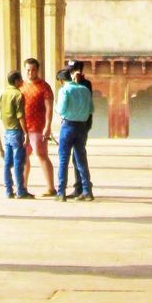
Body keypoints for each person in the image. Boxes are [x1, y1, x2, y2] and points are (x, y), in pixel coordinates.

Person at [54, 62, 94, 202]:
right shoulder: (85, 89)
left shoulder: (64, 90)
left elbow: (61, 110)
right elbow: (91, 110)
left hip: (68, 126)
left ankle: (61, 193)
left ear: (61, 80)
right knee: (81, 160)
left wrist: (58, 109)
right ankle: (87, 191)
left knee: (64, 160)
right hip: (81, 127)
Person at [20, 58, 56, 196]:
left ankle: (51, 187)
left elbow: (49, 108)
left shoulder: (44, 86)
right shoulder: (21, 86)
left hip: (38, 127)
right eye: (28, 70)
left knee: (42, 155)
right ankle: (22, 187)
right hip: (24, 128)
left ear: (37, 70)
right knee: (24, 157)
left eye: (33, 69)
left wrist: (47, 126)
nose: (30, 72)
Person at [0, 69, 33, 199]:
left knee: (7, 162)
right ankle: (21, 191)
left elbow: (1, 111)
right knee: (19, 162)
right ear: (17, 81)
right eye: (20, 79)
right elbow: (20, 116)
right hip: (17, 131)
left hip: (7, 131)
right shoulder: (18, 94)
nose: (22, 81)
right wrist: (26, 133)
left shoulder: (3, 93)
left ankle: (8, 190)